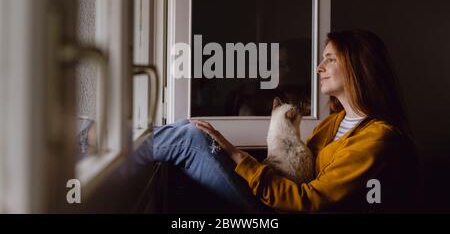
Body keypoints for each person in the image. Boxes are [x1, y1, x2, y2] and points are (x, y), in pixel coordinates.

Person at [143, 30, 418, 213]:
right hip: (277, 196)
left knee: (190, 138)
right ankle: (112, 140)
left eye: (330, 59)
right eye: (322, 59)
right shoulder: (335, 122)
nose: (319, 68)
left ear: (359, 68)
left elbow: (311, 200)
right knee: (187, 128)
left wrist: (235, 154)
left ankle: (108, 140)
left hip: (285, 209)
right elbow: (296, 170)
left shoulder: (378, 138)